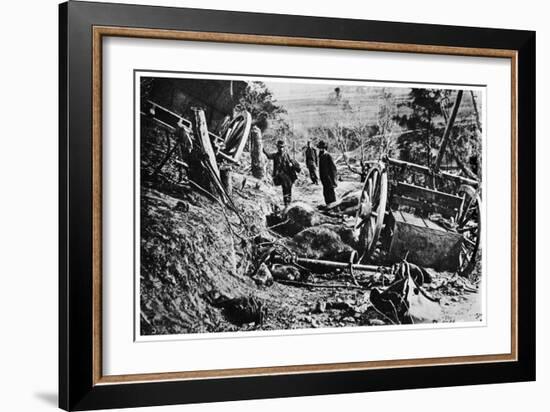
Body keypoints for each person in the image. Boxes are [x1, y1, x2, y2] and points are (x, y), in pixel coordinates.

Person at [264, 140, 298, 206]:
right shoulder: (276, 155)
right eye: (280, 147)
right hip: (281, 175)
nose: (281, 149)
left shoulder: (286, 155)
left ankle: (289, 202)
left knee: (289, 188)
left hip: (288, 174)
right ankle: (286, 203)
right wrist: (263, 150)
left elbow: (292, 162)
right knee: (285, 188)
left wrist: (292, 164)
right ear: (278, 147)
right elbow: (268, 156)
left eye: (282, 147)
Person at [317, 140, 338, 205]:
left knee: (331, 194)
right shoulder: (321, 156)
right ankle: (328, 206)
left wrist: (333, 180)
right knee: (326, 194)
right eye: (320, 148)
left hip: (329, 179)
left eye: (322, 148)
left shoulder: (328, 155)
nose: (321, 149)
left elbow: (333, 168)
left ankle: (333, 207)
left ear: (324, 148)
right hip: (324, 179)